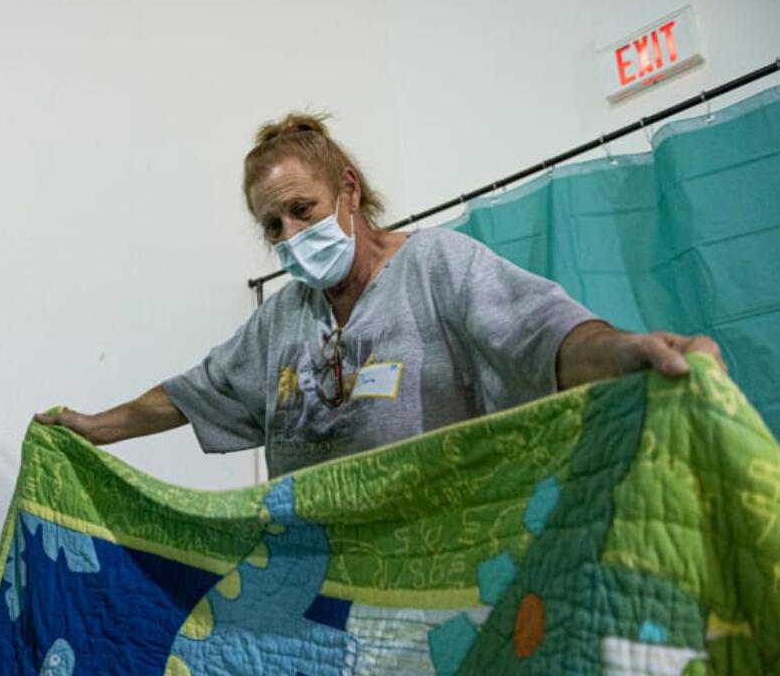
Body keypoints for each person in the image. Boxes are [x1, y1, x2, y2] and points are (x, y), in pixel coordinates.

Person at [36, 113, 724, 478]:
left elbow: (544, 335)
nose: (290, 233)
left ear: (350, 190)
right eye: (272, 225)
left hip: (432, 563)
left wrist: (627, 350)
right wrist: (98, 426)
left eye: (302, 209)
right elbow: (193, 393)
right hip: (316, 580)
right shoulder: (282, 320)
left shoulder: (436, 267)